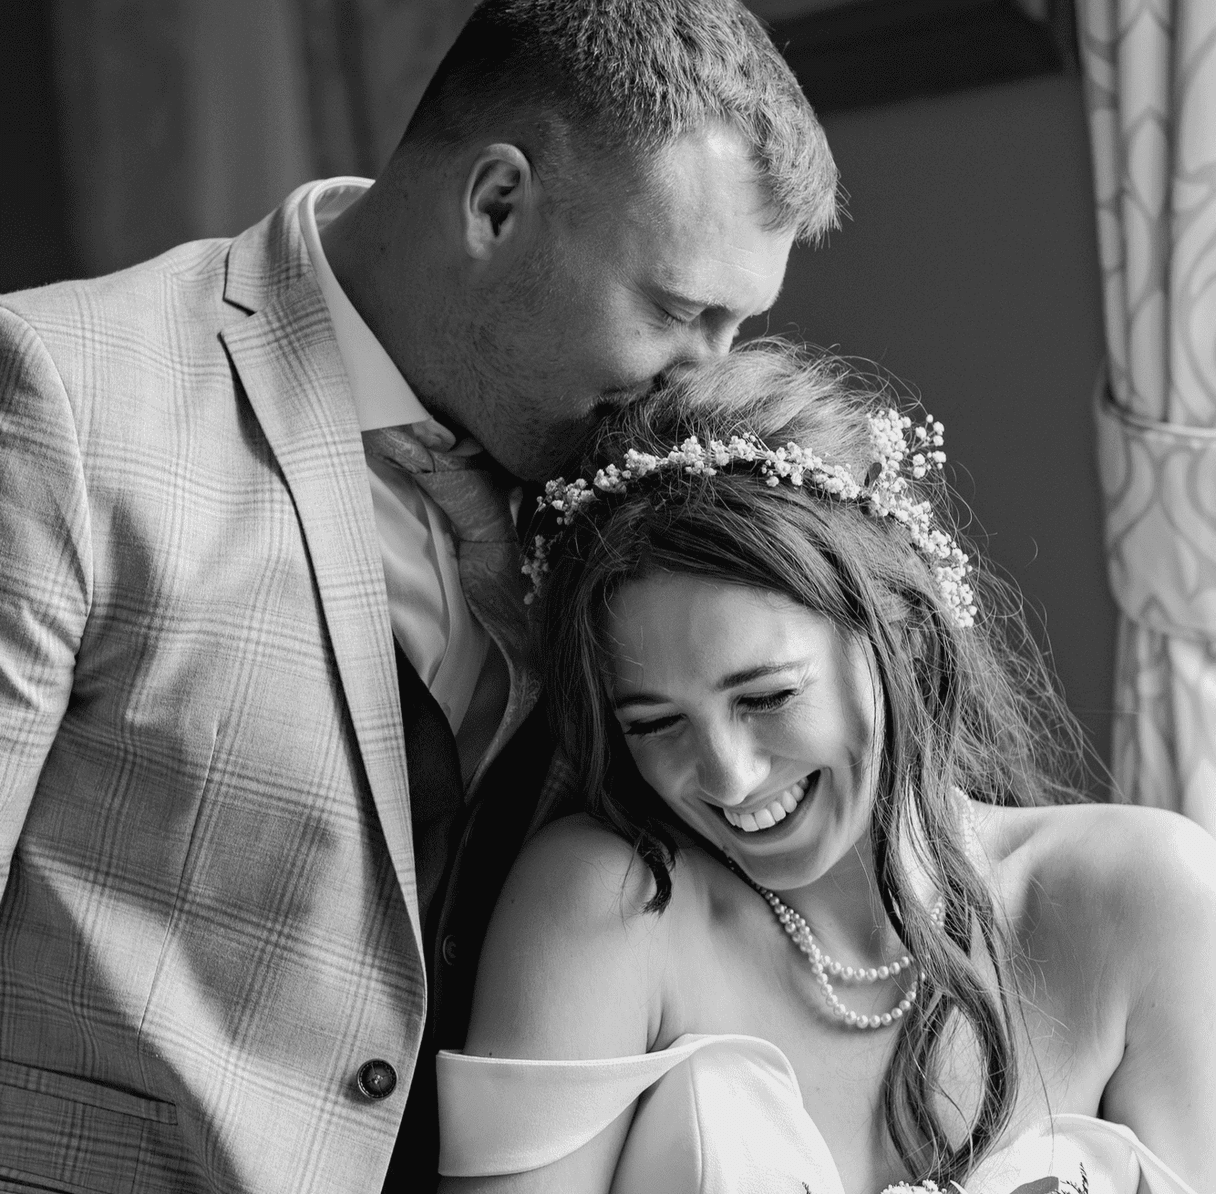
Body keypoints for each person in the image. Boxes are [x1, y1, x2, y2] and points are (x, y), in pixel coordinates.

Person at [0, 3, 839, 1190]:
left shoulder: (631, 468)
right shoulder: (65, 403)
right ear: (495, 205)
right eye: (673, 310)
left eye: (736, 323)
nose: (705, 370)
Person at [435, 343, 1216, 1194]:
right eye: (655, 723)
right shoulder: (612, 906)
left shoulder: (1147, 898)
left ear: (907, 643)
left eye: (766, 698)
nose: (727, 778)